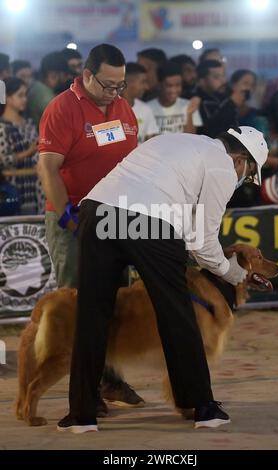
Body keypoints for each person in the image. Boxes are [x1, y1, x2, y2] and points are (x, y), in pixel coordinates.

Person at [57, 126, 268, 433]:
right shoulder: (221, 165)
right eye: (248, 173)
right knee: (177, 314)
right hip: (150, 220)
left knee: (92, 314)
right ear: (240, 159)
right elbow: (203, 245)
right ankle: (202, 408)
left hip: (96, 211)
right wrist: (237, 274)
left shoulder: (174, 140)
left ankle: (80, 414)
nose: (243, 179)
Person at [38, 43, 143, 411]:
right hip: (73, 218)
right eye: (108, 84)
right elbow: (48, 168)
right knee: (78, 304)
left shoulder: (123, 107)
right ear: (86, 75)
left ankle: (112, 380)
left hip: (114, 217)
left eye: (121, 85)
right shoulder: (62, 109)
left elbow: (131, 161)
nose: (115, 92)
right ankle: (85, 389)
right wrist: (67, 214)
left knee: (117, 302)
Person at [0, 78, 41, 214]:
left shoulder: (29, 123)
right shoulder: (2, 127)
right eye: (20, 95)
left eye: (25, 95)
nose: (25, 99)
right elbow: (4, 161)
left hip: (35, 189)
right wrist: (29, 152)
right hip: (14, 191)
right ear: (7, 97)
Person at [148, 61, 202, 134]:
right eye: (169, 86)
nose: (174, 90)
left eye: (178, 85)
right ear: (159, 85)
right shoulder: (147, 108)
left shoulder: (189, 106)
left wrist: (189, 113)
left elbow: (191, 138)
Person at [27, 51, 72, 127]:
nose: (67, 78)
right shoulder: (44, 95)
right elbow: (61, 122)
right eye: (65, 75)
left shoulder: (38, 87)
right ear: (53, 74)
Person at [122, 62, 158, 143]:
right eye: (143, 82)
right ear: (128, 81)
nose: (146, 87)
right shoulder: (109, 108)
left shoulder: (146, 109)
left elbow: (152, 143)